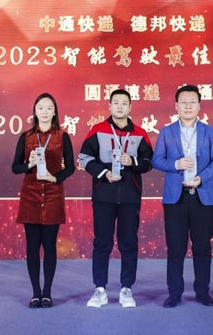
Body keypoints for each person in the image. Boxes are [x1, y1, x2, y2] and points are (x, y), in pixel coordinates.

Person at [78, 89, 153, 308]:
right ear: (109, 106)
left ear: (130, 107)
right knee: (102, 243)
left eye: (124, 103)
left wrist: (132, 161)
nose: (120, 106)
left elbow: (149, 162)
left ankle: (126, 288)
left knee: (128, 243)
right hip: (104, 195)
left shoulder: (140, 133)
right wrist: (104, 173)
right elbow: (84, 157)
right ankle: (99, 289)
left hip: (130, 197)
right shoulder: (97, 130)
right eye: (116, 103)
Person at [152, 85, 213, 308]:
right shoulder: (167, 132)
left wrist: (201, 178)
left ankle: (203, 292)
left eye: (192, 102)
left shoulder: (210, 132)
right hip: (176, 199)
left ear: (199, 106)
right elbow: (156, 160)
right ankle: (174, 293)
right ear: (176, 106)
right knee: (176, 248)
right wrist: (176, 164)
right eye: (184, 102)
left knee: (202, 247)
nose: (188, 106)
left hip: (202, 196)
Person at [11, 92, 75, 308]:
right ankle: (35, 293)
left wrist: (54, 178)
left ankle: (47, 293)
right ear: (35, 112)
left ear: (54, 112)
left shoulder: (62, 137)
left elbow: (71, 167)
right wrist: (29, 164)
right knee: (32, 247)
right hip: (30, 196)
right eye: (40, 108)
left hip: (53, 195)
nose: (45, 112)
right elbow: (15, 167)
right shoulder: (26, 137)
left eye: (49, 108)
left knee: (49, 246)